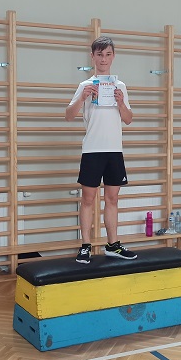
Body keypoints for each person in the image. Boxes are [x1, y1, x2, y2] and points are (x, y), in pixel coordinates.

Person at [66, 36, 136, 264]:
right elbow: (69, 115)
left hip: (114, 150)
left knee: (112, 198)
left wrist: (121, 103)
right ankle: (85, 246)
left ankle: (113, 245)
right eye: (99, 55)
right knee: (88, 199)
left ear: (113, 56)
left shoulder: (120, 86)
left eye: (107, 54)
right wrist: (82, 97)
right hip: (92, 150)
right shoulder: (85, 86)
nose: (103, 59)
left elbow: (128, 119)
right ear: (93, 56)